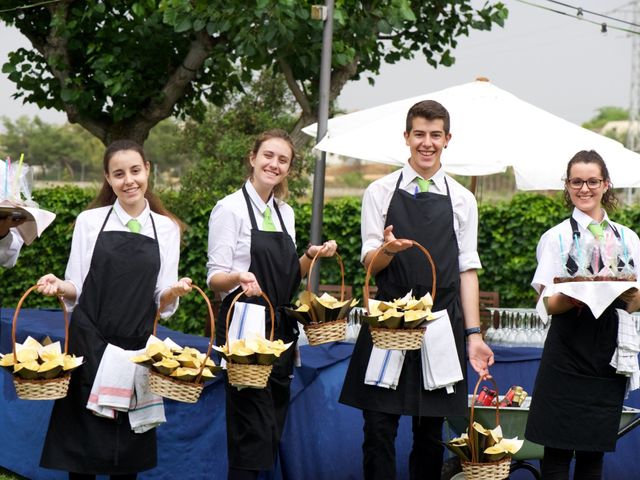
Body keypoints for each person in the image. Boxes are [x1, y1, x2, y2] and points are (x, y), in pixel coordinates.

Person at [339, 100, 494, 480]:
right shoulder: (379, 191)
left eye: (435, 135)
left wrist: (473, 336)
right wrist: (387, 250)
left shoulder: (462, 199)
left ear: (447, 139)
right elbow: (369, 265)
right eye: (419, 134)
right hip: (388, 327)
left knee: (429, 436)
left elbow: (467, 272)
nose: (427, 143)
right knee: (378, 430)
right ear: (407, 137)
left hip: (441, 326)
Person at [36, 140, 192, 480]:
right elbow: (75, 286)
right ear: (108, 179)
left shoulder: (166, 229)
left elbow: (161, 300)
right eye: (118, 174)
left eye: (135, 171)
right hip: (89, 343)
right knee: (83, 453)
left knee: (127, 454)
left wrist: (174, 291)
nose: (129, 181)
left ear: (148, 169)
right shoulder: (89, 221)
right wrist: (57, 285)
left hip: (135, 347)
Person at [207, 129, 337, 480]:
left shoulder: (286, 212)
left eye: (283, 160)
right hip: (245, 328)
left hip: (280, 330)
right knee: (251, 428)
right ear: (252, 158)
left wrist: (311, 256)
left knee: (270, 428)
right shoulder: (229, 209)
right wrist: (239, 278)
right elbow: (215, 277)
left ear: (289, 169)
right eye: (268, 156)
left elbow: (289, 275)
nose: (274, 164)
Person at [525, 150, 640, 480]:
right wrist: (580, 295)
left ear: (606, 184)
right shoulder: (555, 237)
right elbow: (548, 302)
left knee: (593, 454)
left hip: (607, 354)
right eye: (577, 181)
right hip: (565, 352)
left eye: (592, 181)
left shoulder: (627, 238)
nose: (585, 188)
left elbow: (635, 301)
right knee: (556, 452)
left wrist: (626, 294)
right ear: (567, 185)